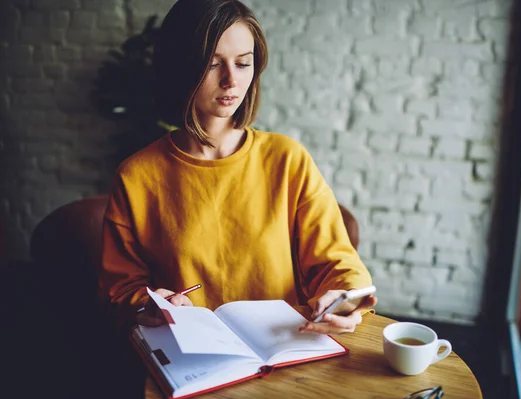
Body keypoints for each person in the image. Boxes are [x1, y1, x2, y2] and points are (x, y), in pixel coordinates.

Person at [99, 0, 376, 336]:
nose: (231, 81)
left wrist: (345, 296)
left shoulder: (288, 159)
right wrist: (150, 303)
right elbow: (120, 289)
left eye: (243, 63)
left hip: (284, 343)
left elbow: (339, 262)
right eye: (213, 65)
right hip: (193, 352)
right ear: (179, 68)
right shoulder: (137, 175)